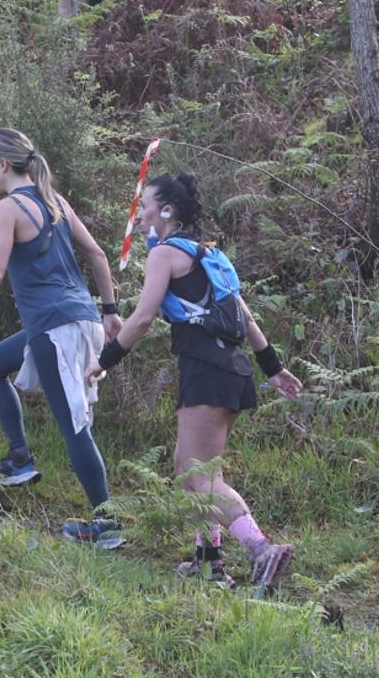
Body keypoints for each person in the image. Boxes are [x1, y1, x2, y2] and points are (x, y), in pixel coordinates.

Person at [86, 173, 303, 589]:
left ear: (166, 211)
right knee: (189, 469)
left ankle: (263, 551)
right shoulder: (207, 255)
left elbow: (145, 317)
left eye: (146, 204)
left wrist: (105, 360)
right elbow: (245, 317)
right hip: (233, 370)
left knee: (201, 475)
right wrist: (273, 368)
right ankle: (209, 563)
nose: (141, 211)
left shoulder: (165, 254)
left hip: (206, 368)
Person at [0, 128, 125, 547]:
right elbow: (96, 254)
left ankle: (107, 527)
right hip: (80, 320)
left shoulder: (8, 209)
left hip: (56, 328)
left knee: (75, 428)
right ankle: (19, 459)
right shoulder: (56, 202)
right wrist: (110, 313)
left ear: (3, 165)